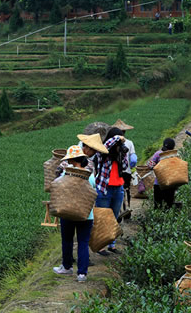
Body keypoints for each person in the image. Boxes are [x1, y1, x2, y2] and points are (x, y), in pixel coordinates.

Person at [52, 145, 96, 282]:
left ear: (72, 160)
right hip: (86, 215)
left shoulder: (67, 174)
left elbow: (55, 184)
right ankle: (82, 274)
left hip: (68, 212)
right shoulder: (90, 176)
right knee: (83, 242)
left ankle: (67, 267)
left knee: (67, 240)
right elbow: (94, 190)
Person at [95, 127, 129, 255]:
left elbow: (125, 167)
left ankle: (112, 244)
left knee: (114, 218)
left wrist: (122, 153)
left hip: (118, 188)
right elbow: (106, 146)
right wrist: (117, 139)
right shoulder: (103, 153)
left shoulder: (119, 154)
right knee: (103, 218)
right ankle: (101, 246)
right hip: (104, 189)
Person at [112, 120, 137, 214]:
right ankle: (128, 208)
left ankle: (119, 210)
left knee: (118, 190)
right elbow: (133, 157)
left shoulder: (111, 144)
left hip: (115, 171)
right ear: (124, 132)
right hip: (126, 171)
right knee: (127, 189)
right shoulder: (129, 143)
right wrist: (132, 165)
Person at [147, 138, 176, 208]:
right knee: (169, 205)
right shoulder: (175, 155)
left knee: (157, 205)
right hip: (170, 184)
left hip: (159, 184)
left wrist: (155, 166)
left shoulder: (158, 154)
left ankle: (158, 218)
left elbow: (150, 165)